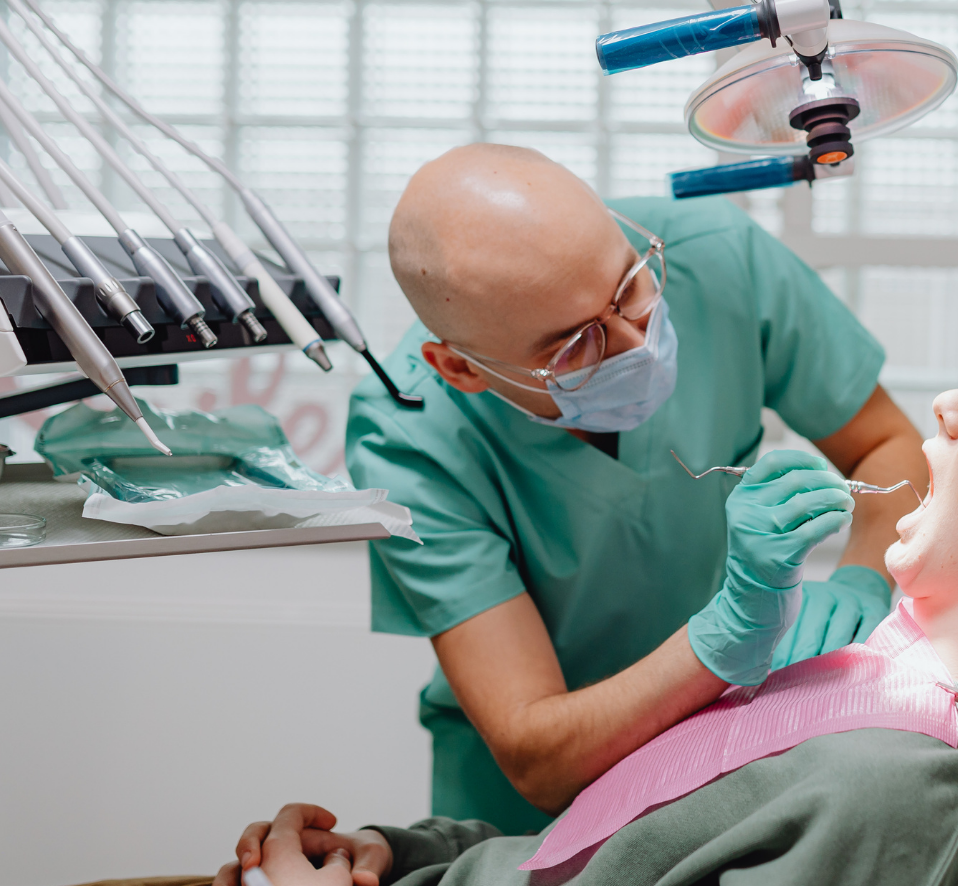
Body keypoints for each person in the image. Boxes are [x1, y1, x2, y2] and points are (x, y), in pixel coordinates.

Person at [171, 300, 958, 886]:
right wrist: (393, 852)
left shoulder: (912, 798)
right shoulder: (864, 683)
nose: (949, 401)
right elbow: (589, 851)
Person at [348, 145, 928, 833]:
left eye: (628, 288)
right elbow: (538, 755)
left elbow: (887, 445)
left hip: (733, 751)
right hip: (537, 816)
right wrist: (727, 632)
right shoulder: (408, 437)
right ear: (460, 369)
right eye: (573, 346)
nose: (637, 342)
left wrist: (861, 582)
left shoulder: (716, 255)